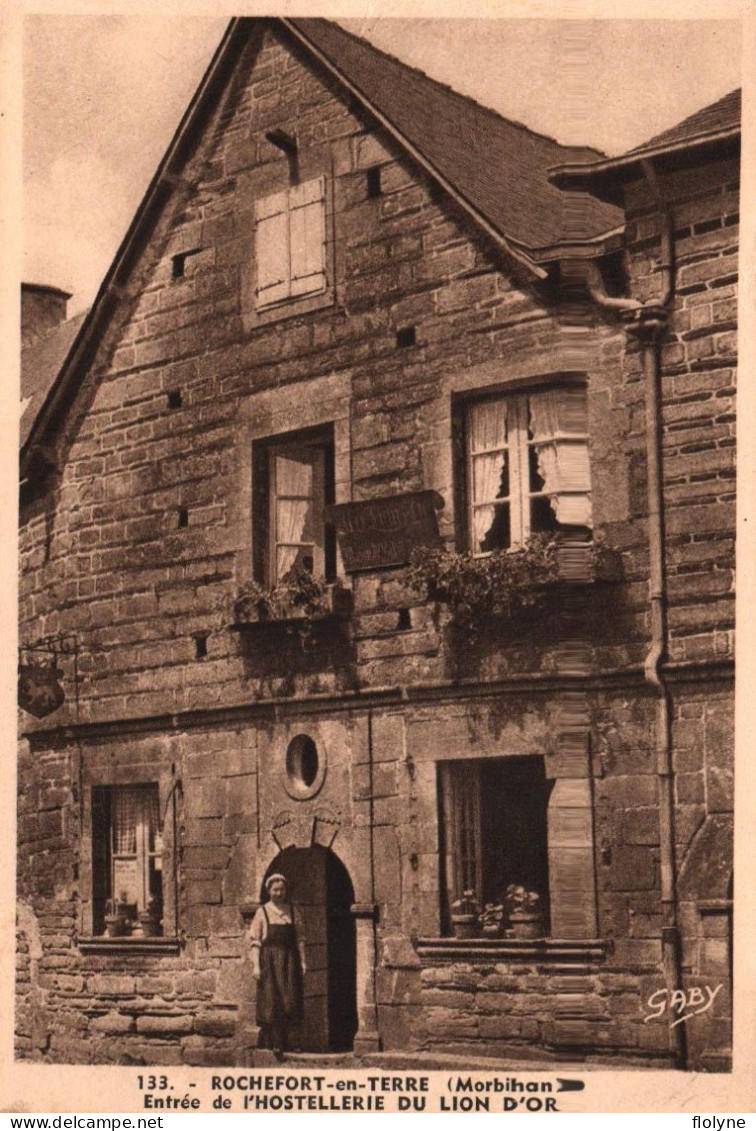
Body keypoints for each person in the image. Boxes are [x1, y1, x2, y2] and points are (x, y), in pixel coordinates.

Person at [248, 873, 306, 1058]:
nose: (279, 893)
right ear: (268, 891)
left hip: (290, 961)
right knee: (273, 1001)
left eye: (282, 889)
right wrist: (256, 965)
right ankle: (276, 1043)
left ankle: (292, 1041)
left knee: (291, 999)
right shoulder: (262, 912)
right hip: (270, 962)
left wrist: (303, 961)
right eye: (275, 890)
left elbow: (300, 939)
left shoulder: (293, 910)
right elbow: (255, 942)